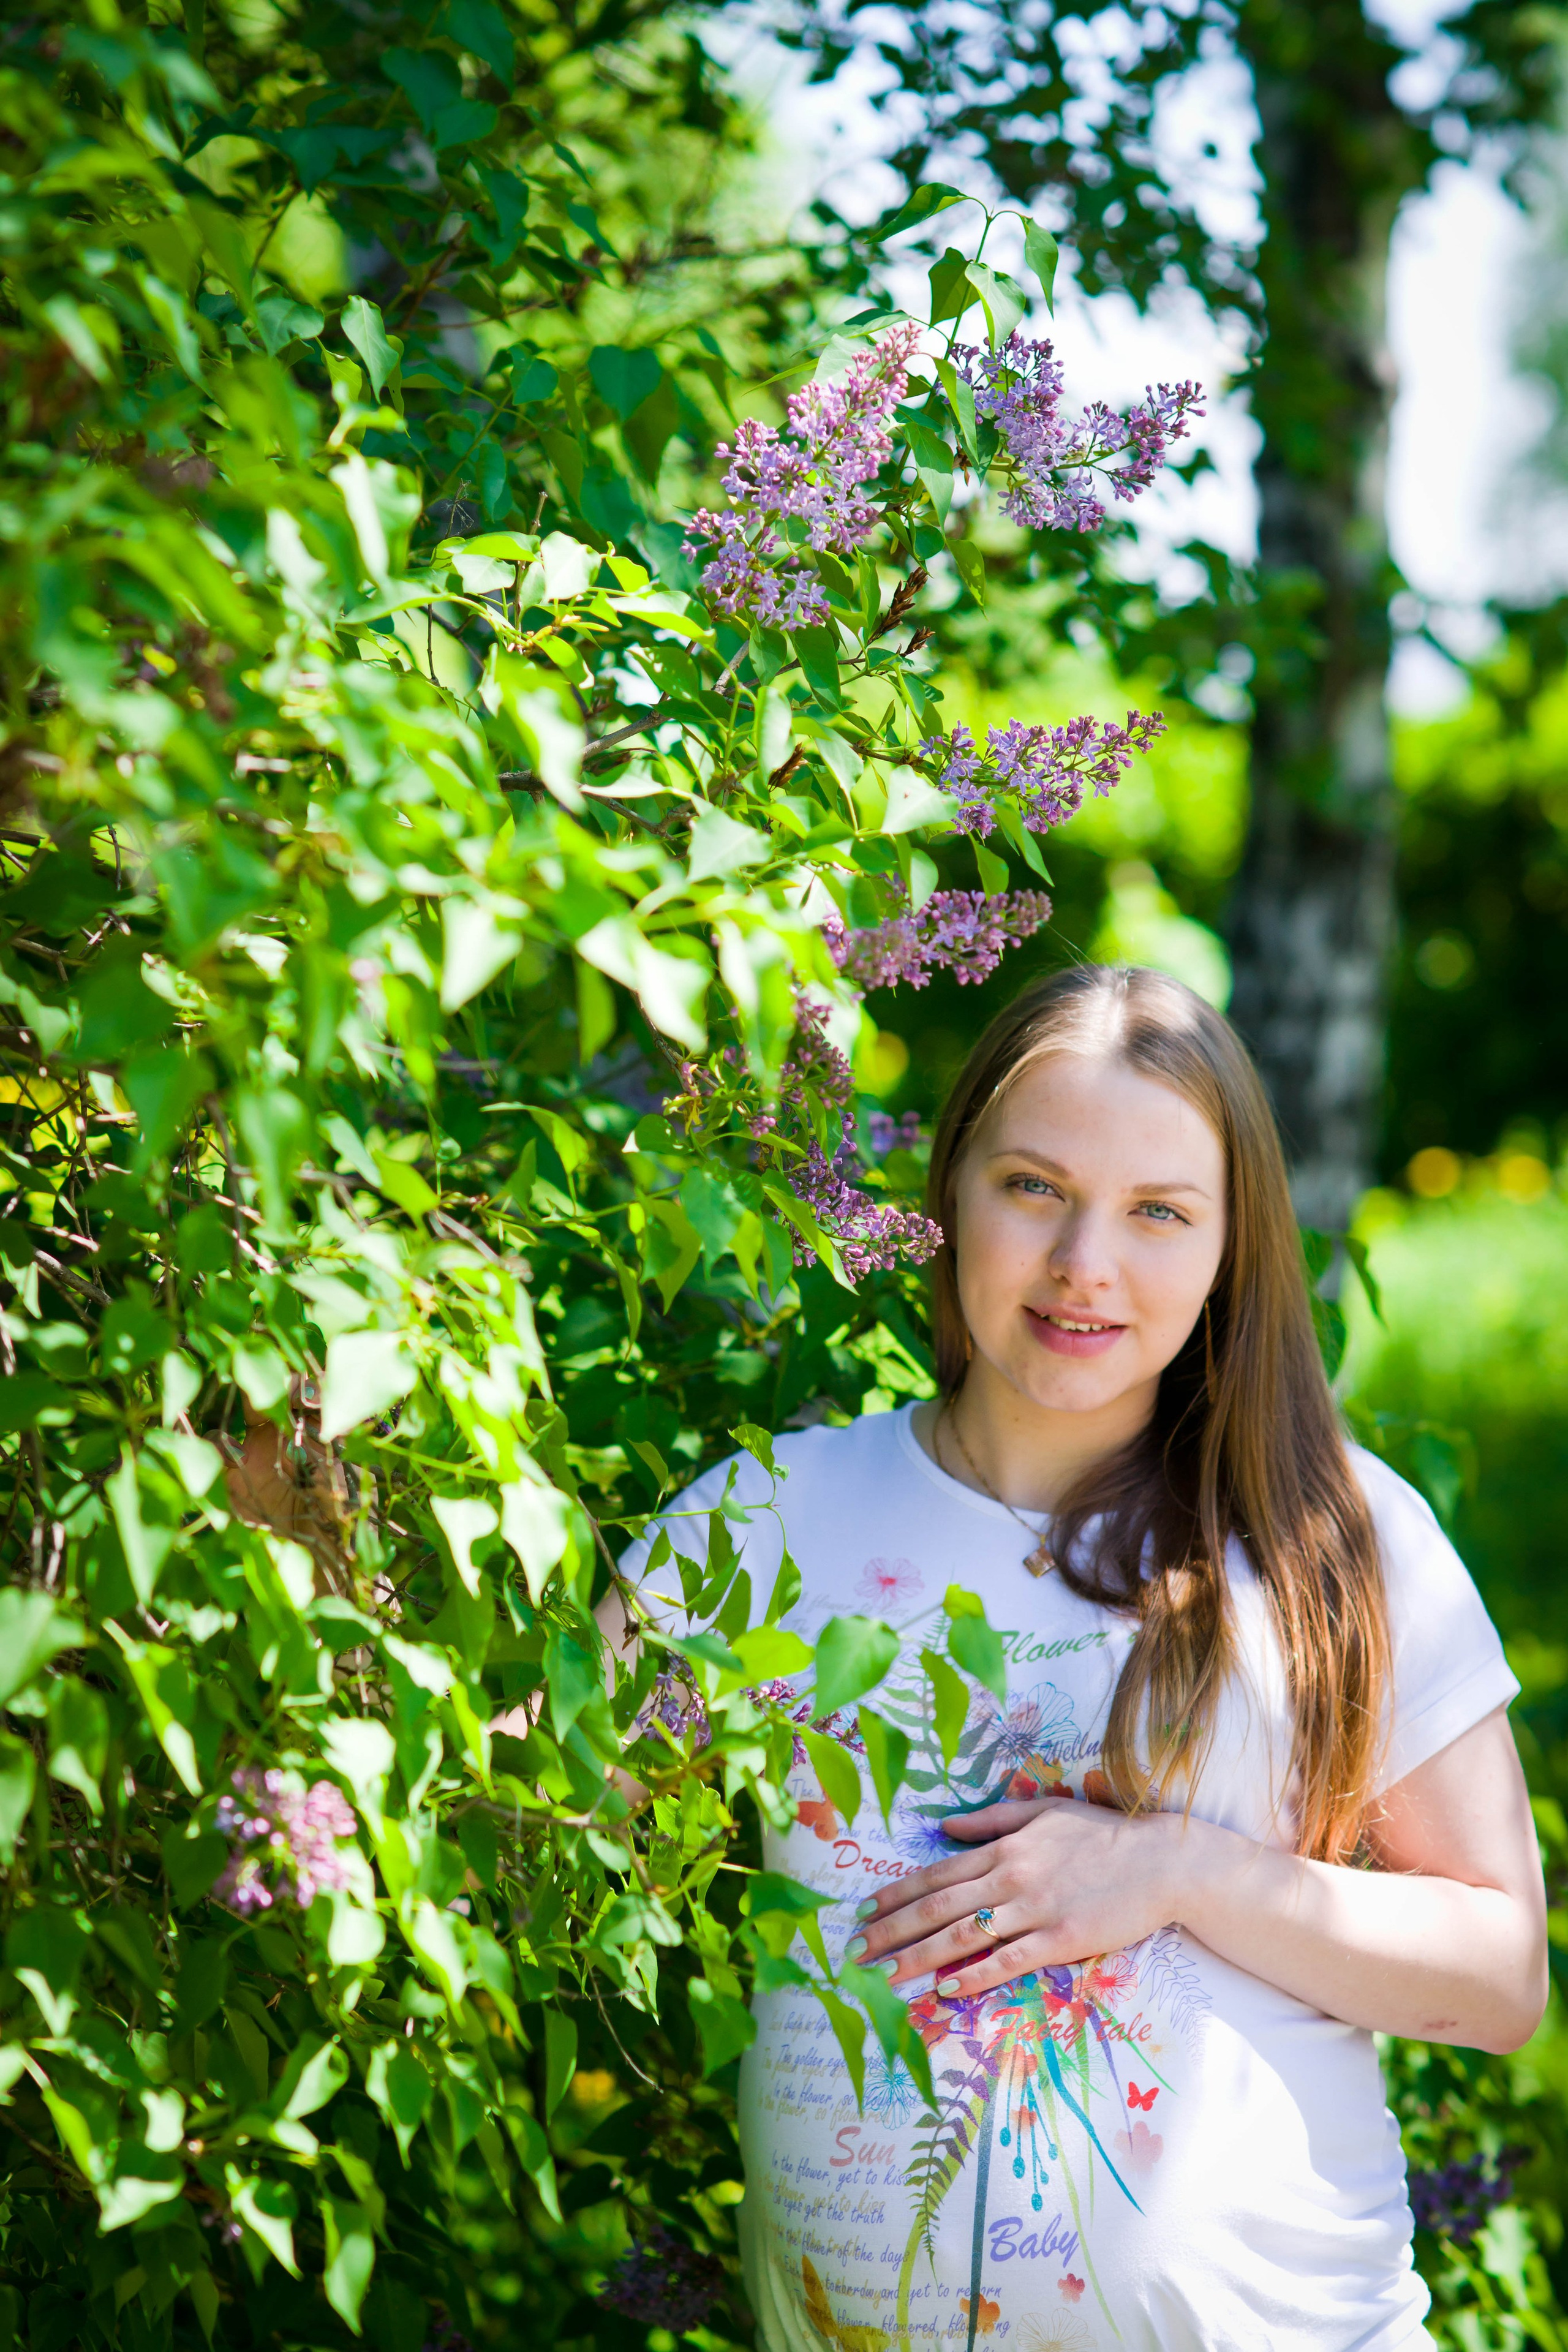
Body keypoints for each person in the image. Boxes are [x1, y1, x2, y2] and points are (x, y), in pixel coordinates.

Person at [607, 964, 1545, 2352]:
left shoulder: (1326, 1532)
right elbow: (539, 1816)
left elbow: (1497, 1971)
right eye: (1034, 1187)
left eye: (1158, 1213)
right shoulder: (770, 1515)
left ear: (1232, 1246)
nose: (1082, 1266)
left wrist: (1170, 1870)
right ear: (949, 1192)